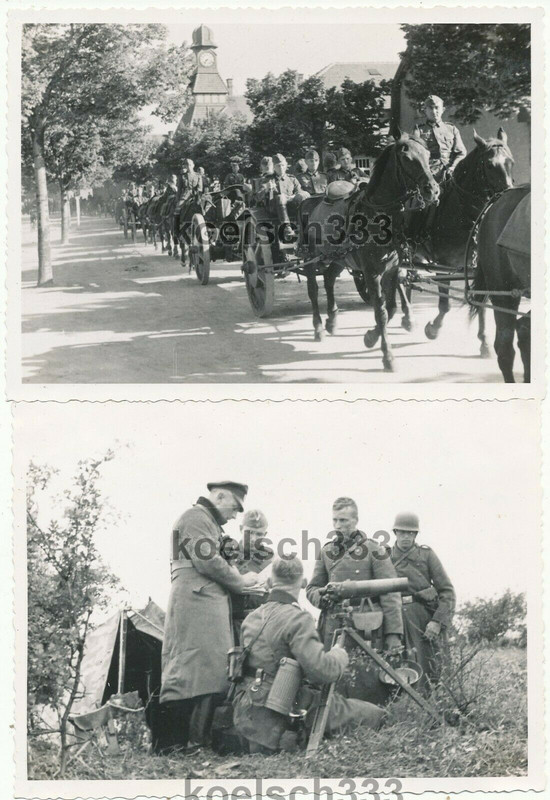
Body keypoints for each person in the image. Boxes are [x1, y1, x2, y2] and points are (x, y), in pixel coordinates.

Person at [232, 556, 386, 754]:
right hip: (280, 707)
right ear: (303, 583)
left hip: (246, 709)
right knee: (374, 715)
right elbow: (323, 672)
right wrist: (339, 655)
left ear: (270, 583)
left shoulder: (252, 617)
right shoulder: (297, 619)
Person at [158, 481, 259, 755]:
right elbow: (208, 561)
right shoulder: (195, 518)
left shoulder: (205, 521)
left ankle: (192, 742)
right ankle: (192, 744)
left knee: (207, 672)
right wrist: (241, 581)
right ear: (219, 495)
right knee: (204, 671)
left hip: (201, 600)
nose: (236, 515)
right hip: (197, 601)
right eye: (234, 507)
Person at [306, 497, 403, 652]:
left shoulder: (373, 549)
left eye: (343, 520)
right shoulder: (327, 551)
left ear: (355, 520)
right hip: (334, 625)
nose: (338, 526)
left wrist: (393, 634)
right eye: (335, 520)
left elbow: (390, 593)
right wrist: (321, 597)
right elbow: (312, 588)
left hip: (367, 627)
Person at [390, 511, 456, 692]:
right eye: (402, 532)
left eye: (410, 533)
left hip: (422, 620)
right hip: (394, 620)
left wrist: (436, 622)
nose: (406, 537)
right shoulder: (385, 557)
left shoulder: (426, 555)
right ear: (395, 532)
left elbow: (447, 592)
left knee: (430, 670)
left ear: (415, 535)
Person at [223, 509, 274, 642]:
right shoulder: (227, 554)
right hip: (231, 623)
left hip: (261, 625)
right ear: (241, 529)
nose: (254, 539)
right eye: (250, 533)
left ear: (265, 534)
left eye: (259, 534)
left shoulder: (271, 560)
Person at [412, 95, 467, 183]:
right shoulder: (419, 130)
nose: (434, 111)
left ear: (443, 109)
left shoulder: (451, 129)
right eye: (430, 108)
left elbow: (461, 153)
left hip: (450, 170)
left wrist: (453, 166)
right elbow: (415, 154)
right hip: (429, 173)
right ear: (425, 110)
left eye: (437, 108)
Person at [256, 153, 310, 237]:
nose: (281, 168)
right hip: (273, 208)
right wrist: (266, 188)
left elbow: (299, 191)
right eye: (278, 166)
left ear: (286, 165)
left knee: (305, 194)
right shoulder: (267, 179)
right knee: (281, 197)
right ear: (274, 167)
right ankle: (287, 228)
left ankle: (306, 224)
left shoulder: (292, 178)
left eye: (282, 165)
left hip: (290, 206)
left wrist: (293, 197)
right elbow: (258, 197)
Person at [173, 158, 203, 264]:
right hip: (184, 196)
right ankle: (176, 230)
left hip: (196, 195)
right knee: (177, 210)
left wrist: (196, 193)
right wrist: (178, 201)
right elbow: (179, 190)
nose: (188, 166)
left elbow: (200, 188)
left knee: (204, 207)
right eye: (186, 165)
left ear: (193, 165)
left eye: (190, 164)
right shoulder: (182, 177)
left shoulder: (198, 176)